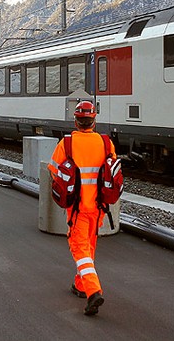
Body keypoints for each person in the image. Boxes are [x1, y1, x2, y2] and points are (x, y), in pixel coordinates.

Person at [48, 100, 116, 316]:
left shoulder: (66, 144)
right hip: (98, 208)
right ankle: (80, 284)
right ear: (93, 121)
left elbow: (54, 173)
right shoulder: (106, 143)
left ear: (76, 121)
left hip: (77, 209)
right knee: (89, 247)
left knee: (79, 249)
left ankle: (93, 290)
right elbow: (111, 172)